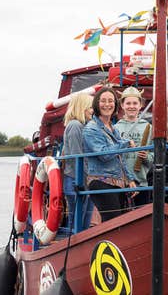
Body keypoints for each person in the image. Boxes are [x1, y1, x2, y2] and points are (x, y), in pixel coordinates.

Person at [83, 87, 139, 222]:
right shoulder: (91, 129)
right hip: (101, 181)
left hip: (116, 182)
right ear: (96, 103)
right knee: (113, 222)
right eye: (103, 101)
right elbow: (104, 154)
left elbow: (120, 157)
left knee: (118, 222)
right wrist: (125, 144)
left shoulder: (112, 128)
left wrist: (130, 179)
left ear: (115, 105)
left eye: (111, 101)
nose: (107, 104)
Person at [61, 93, 95, 233]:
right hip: (77, 179)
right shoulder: (75, 126)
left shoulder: (82, 126)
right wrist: (87, 179)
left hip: (82, 178)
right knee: (77, 222)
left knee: (84, 220)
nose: (93, 111)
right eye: (91, 107)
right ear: (83, 107)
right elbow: (76, 156)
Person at [114, 87, 152, 207]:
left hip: (142, 181)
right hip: (120, 181)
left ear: (140, 105)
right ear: (122, 105)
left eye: (135, 103)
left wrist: (146, 156)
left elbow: (155, 156)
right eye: (128, 103)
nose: (132, 106)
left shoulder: (148, 127)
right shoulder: (115, 128)